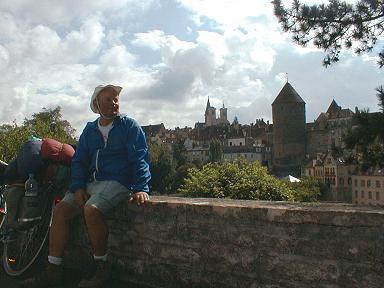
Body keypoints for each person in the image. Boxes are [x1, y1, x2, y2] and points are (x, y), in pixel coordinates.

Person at [22, 84, 151, 288]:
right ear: (96, 104)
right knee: (61, 211)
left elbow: (140, 158)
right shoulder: (90, 130)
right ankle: (53, 269)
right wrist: (79, 186)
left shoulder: (129, 126)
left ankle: (101, 267)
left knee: (92, 210)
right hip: (91, 182)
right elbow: (80, 161)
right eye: (108, 99)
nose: (114, 103)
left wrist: (141, 187)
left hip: (118, 181)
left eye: (116, 99)